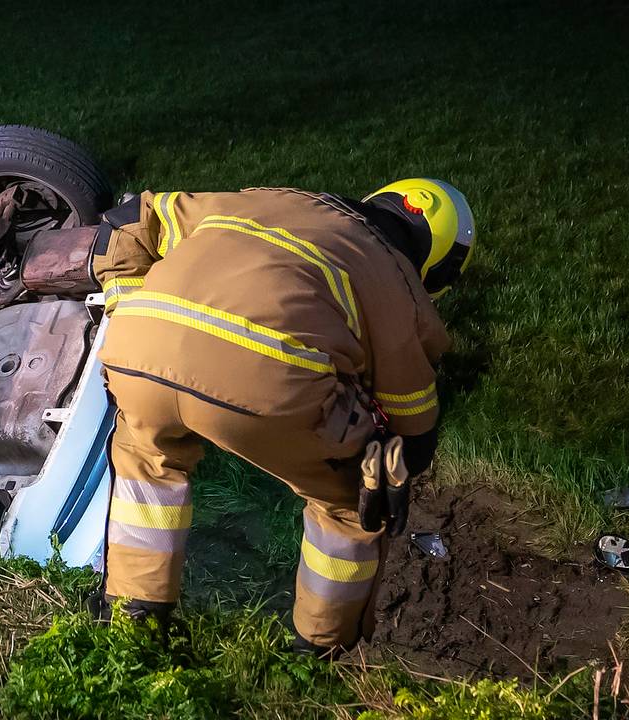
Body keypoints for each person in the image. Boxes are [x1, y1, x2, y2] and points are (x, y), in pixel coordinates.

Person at [89, 180, 475, 657]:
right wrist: (383, 457)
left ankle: (134, 623)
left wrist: (128, 308)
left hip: (137, 353)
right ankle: (319, 652)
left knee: (146, 459)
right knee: (354, 503)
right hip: (263, 380)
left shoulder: (258, 198)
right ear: (434, 264)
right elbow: (413, 420)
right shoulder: (400, 284)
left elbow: (125, 222)